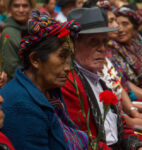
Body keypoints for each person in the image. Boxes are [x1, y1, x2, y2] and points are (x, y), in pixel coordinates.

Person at [62, 6, 142, 149]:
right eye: (93, 42)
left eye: (104, 42)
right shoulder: (69, 83)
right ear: (73, 45)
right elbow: (85, 140)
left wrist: (138, 147)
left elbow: (120, 127)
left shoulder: (98, 78)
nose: (102, 48)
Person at [0, 9, 88, 150]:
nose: (69, 68)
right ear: (35, 59)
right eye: (62, 56)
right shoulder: (22, 107)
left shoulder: (49, 90)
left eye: (70, 58)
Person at [107, 7, 142, 93]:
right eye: (117, 24)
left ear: (134, 27)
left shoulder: (138, 44)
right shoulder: (111, 49)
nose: (120, 29)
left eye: (125, 24)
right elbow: (124, 81)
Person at [0, 0, 33, 82]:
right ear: (10, 8)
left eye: (25, 6)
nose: (21, 10)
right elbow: (11, 68)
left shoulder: (33, 29)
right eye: (16, 6)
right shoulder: (8, 33)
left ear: (30, 8)